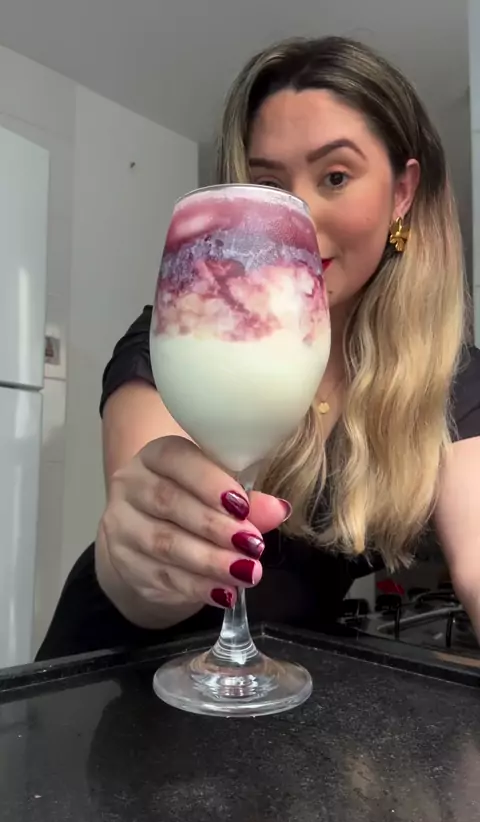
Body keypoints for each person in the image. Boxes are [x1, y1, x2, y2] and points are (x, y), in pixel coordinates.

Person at [37, 35, 480, 661]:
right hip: (113, 680)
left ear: (402, 192)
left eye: (335, 176)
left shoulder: (449, 377)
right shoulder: (184, 338)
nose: (296, 219)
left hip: (283, 697)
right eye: (268, 182)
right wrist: (141, 560)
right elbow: (145, 560)